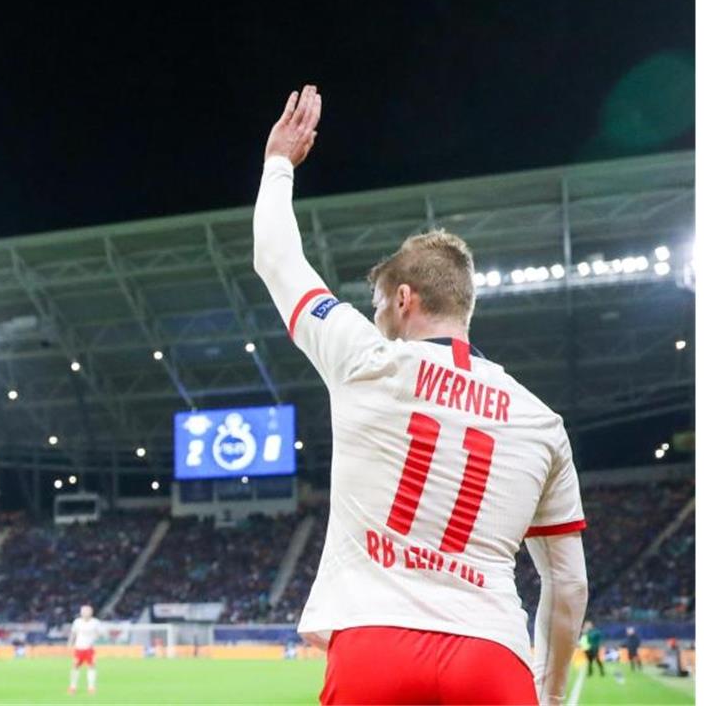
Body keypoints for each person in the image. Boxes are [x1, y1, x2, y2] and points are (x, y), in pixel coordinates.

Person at [252, 85, 589, 705]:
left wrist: (278, 165)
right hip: (493, 655)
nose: (375, 313)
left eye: (378, 302)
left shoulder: (365, 357)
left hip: (375, 645)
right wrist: (552, 690)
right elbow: (567, 587)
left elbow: (277, 258)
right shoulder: (542, 422)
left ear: (404, 298)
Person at [67, 604, 100, 695]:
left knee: (91, 667)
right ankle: (73, 687)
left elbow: (98, 634)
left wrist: (95, 639)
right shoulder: (77, 622)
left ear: (91, 612)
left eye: (87, 611)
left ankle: (91, 687)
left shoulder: (95, 622)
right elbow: (73, 634)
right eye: (84, 611)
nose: (85, 613)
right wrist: (70, 643)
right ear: (81, 613)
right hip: (79, 648)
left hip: (89, 648)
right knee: (75, 666)